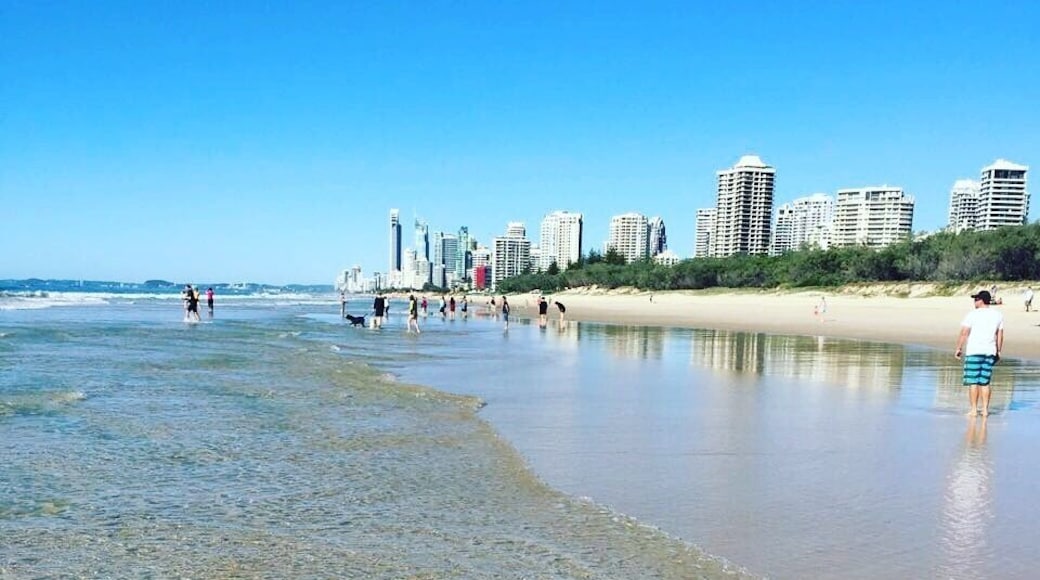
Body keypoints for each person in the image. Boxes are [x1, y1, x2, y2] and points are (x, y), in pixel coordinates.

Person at [954, 290, 1004, 417]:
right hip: (989, 352)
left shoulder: (972, 315)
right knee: (985, 382)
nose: (974, 301)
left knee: (973, 382)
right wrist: (998, 351)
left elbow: (964, 332)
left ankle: (974, 410)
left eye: (976, 299)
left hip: (974, 351)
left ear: (981, 300)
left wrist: (959, 348)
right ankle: (985, 410)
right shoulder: (998, 315)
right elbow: (999, 334)